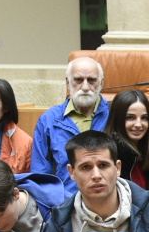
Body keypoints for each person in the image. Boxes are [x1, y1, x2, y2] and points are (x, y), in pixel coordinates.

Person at [31, 57, 110, 191]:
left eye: (91, 80)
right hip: (65, 203)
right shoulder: (49, 120)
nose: (85, 87)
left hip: (107, 200)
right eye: (78, 80)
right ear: (68, 82)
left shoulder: (114, 115)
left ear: (101, 83)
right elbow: (40, 176)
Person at [105, 89, 149, 196]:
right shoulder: (106, 151)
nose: (138, 124)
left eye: (144, 118)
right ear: (118, 119)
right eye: (130, 118)